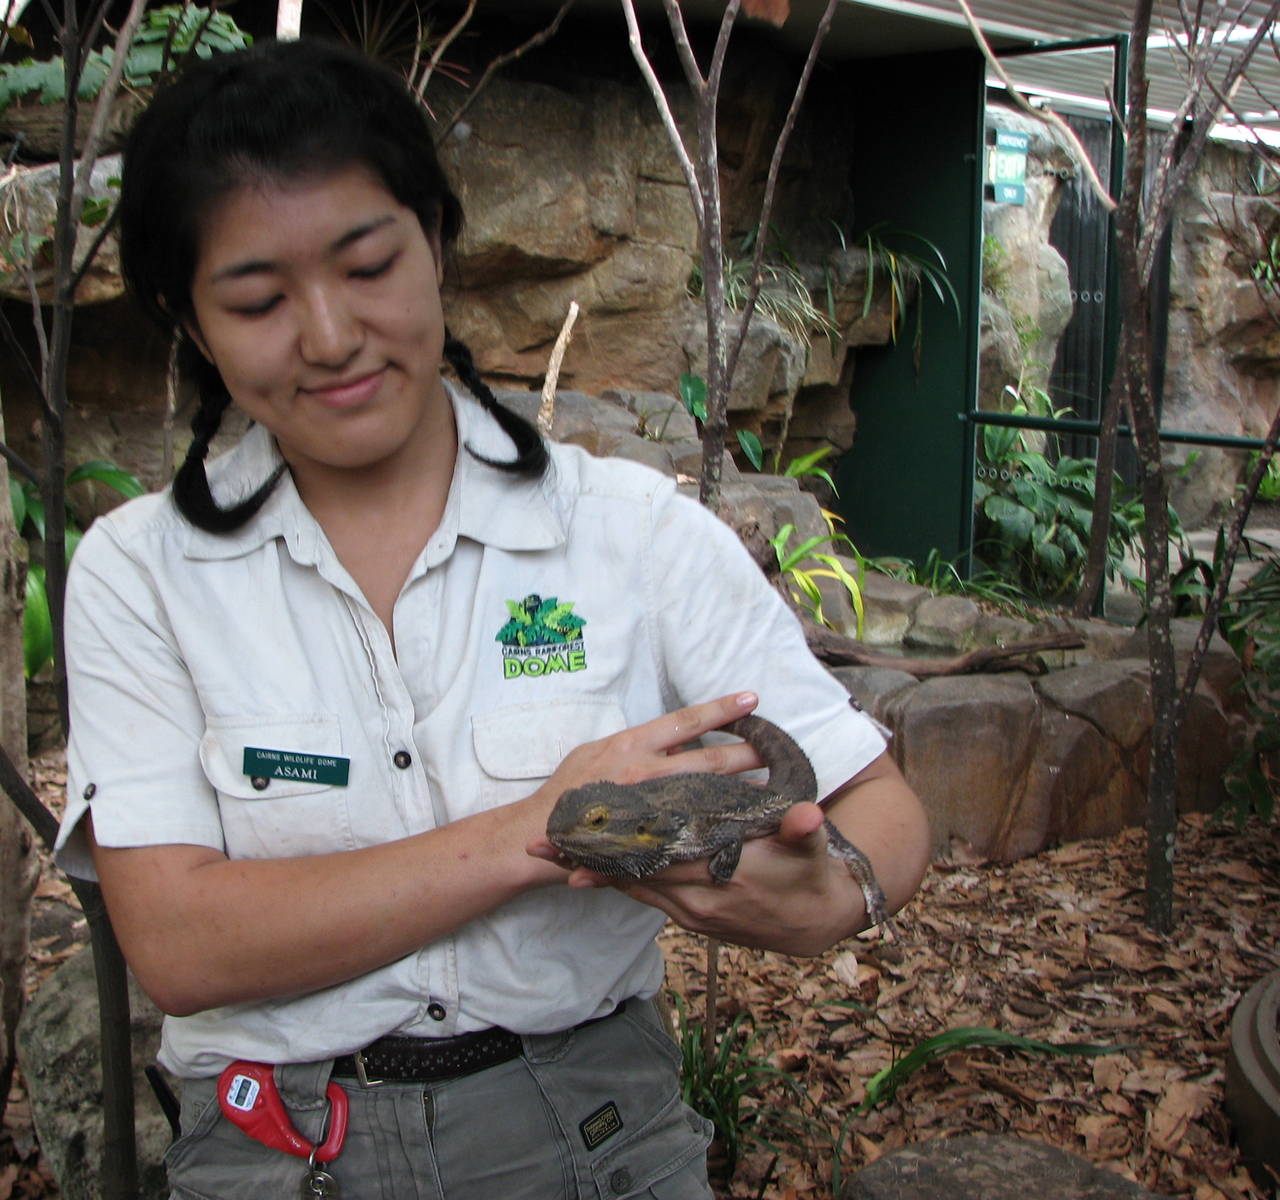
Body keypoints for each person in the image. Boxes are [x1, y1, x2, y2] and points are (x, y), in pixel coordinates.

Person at [54, 36, 929, 1200]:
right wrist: (552, 826)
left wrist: (837, 896)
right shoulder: (139, 572)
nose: (328, 334)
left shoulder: (628, 533)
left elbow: (880, 804)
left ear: (437, 241)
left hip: (595, 1128)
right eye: (258, 298)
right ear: (188, 318)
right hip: (276, 1152)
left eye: (368, 265)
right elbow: (176, 945)